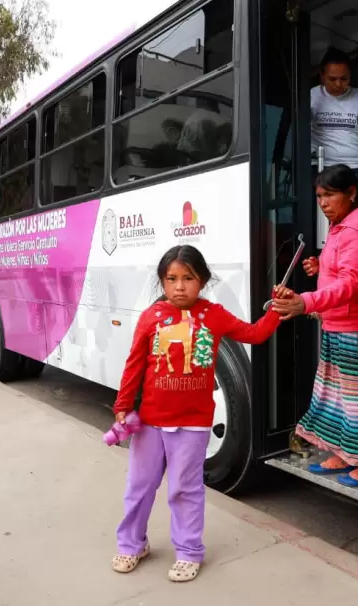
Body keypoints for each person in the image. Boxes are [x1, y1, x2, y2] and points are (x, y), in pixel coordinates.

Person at [111, 245, 290, 582]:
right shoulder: (151, 317)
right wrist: (123, 406)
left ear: (203, 280)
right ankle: (132, 543)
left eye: (188, 278)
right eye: (172, 279)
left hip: (192, 425)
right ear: (163, 282)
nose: (180, 286)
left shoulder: (215, 315)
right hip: (149, 423)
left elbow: (255, 333)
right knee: (139, 487)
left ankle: (189, 551)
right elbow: (134, 364)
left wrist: (275, 309)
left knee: (184, 488)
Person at [273, 165, 358, 487]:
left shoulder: (357, 231)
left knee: (357, 402)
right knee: (337, 398)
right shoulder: (341, 227)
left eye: (330, 195)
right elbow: (343, 272)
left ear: (352, 193)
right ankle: (346, 455)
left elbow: (351, 284)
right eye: (319, 196)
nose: (323, 202)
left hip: (354, 329)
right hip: (337, 324)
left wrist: (306, 301)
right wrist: (321, 266)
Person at [310, 48, 358, 186]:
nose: (338, 84)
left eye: (344, 79)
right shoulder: (312, 97)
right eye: (332, 79)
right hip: (322, 167)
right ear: (322, 75)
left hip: (356, 168)